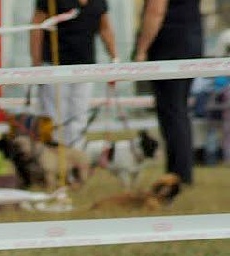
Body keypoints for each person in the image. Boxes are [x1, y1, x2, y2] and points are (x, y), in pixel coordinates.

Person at [30, 0, 118, 148]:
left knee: (79, 116)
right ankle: (55, 160)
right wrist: (36, 63)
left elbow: (105, 28)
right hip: (54, 66)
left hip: (85, 68)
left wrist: (115, 58)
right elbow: (37, 28)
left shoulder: (99, 3)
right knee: (55, 116)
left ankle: (75, 159)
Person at [134, 0, 203, 186]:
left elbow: (155, 10)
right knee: (179, 111)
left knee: (172, 112)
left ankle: (178, 174)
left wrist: (141, 50)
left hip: (170, 45)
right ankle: (182, 171)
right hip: (192, 40)